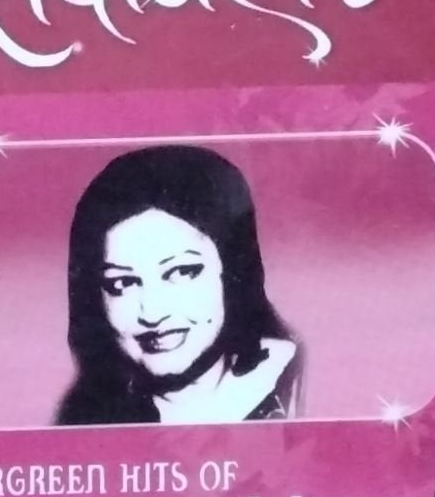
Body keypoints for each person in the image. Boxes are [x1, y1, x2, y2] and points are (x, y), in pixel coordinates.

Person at [56, 144, 301, 425]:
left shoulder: (303, 384)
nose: (151, 313)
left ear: (233, 270)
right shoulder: (87, 420)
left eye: (182, 272)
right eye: (122, 283)